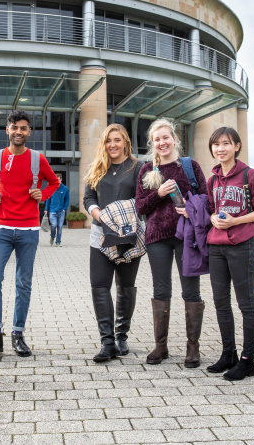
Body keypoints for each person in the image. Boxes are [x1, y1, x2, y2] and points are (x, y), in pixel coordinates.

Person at [0, 110, 60, 356]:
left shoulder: (37, 159)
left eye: (23, 128)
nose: (18, 132)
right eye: (14, 127)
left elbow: (54, 182)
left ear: (29, 131)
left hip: (29, 230)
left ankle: (18, 334)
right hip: (1, 227)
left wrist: (42, 195)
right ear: (7, 130)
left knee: (23, 282)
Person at [135, 118, 208, 366]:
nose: (162, 142)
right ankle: (160, 346)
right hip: (157, 238)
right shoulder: (147, 171)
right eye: (157, 139)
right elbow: (141, 206)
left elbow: (207, 198)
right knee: (161, 290)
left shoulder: (190, 166)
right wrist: (160, 193)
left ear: (175, 139)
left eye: (166, 137)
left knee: (191, 290)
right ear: (152, 143)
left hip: (187, 236)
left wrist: (191, 208)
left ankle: (192, 348)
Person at [205, 127, 254, 381]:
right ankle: (228, 354)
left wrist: (235, 221)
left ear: (237, 146)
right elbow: (211, 209)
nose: (220, 148)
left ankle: (247, 361)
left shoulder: (249, 175)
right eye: (216, 144)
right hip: (216, 246)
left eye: (226, 143)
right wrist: (213, 217)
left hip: (242, 245)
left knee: (245, 303)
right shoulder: (212, 180)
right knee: (221, 302)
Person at [83, 124, 145, 362]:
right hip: (101, 234)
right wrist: (103, 217)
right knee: (99, 285)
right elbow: (89, 198)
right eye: (108, 141)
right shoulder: (97, 167)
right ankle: (107, 342)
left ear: (125, 142)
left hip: (129, 235)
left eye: (117, 140)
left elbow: (144, 199)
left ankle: (121, 336)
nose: (113, 145)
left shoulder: (138, 167)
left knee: (126, 285)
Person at [44, 173, 70, 246]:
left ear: (61, 179)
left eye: (57, 179)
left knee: (60, 227)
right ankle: (52, 236)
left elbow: (67, 200)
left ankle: (58, 242)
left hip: (61, 211)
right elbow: (48, 199)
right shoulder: (52, 188)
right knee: (54, 225)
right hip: (52, 210)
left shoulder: (65, 189)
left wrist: (64, 209)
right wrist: (46, 208)